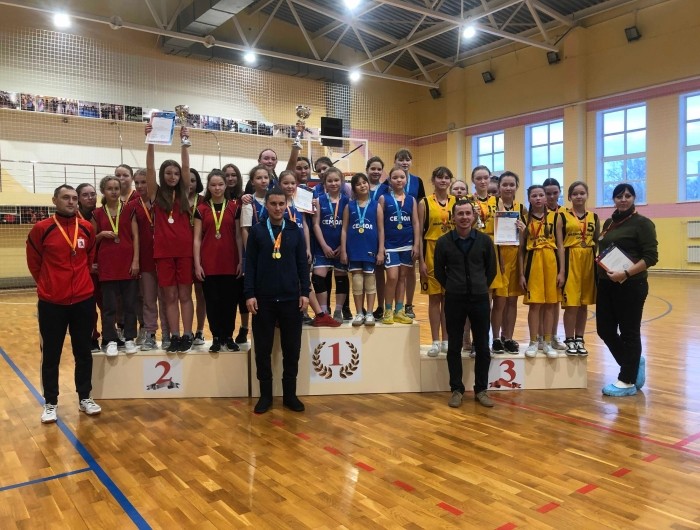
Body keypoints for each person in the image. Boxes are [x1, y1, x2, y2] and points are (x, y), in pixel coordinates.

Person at [26, 184, 102, 423]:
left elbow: (89, 258)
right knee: (51, 355)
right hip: (52, 303)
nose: (71, 202)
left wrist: (80, 283)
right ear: (54, 200)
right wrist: (48, 285)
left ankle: (85, 398)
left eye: (74, 198)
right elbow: (34, 262)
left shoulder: (86, 228)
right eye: (65, 198)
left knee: (84, 352)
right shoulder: (42, 229)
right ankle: (50, 402)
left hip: (83, 301)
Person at [245, 187, 310, 414]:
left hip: (292, 299)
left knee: (292, 349)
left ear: (287, 204)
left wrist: (305, 292)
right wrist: (249, 294)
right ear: (267, 205)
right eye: (273, 204)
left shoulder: (294, 231)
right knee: (262, 350)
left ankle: (290, 395)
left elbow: (302, 264)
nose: (278, 208)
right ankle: (265, 396)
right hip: (263, 300)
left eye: (282, 204)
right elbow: (250, 265)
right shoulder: (257, 231)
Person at [434, 199, 497, 408]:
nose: (464, 217)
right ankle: (456, 390)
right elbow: (439, 271)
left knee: (483, 346)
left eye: (468, 213)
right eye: (460, 214)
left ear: (474, 216)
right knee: (454, 346)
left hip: (479, 298)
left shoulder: (485, 241)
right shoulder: (443, 242)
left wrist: (479, 285)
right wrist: (454, 286)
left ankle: (481, 389)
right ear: (453, 217)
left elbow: (491, 270)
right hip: (454, 299)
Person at [596, 183, 658, 397]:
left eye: (628, 196)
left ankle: (627, 380)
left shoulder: (643, 223)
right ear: (613, 199)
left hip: (631, 285)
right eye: (619, 196)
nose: (623, 199)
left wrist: (626, 273)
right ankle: (632, 362)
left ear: (634, 198)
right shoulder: (609, 222)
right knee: (605, 330)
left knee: (629, 331)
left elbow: (651, 257)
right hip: (606, 284)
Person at [144, 123, 195, 353]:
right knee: (170, 296)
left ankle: (187, 334)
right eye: (168, 173)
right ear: (162, 176)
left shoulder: (184, 193)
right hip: (163, 253)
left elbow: (186, 166)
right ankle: (174, 335)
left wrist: (184, 142)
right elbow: (150, 167)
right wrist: (150, 141)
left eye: (175, 173)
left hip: (185, 252)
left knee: (185, 295)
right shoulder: (155, 193)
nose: (173, 176)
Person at [194, 169, 243, 352]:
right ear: (208, 186)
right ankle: (215, 337)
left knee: (230, 302)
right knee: (212, 302)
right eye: (213, 185)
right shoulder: (201, 209)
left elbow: (238, 236)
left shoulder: (234, 208)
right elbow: (197, 239)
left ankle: (228, 336)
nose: (217, 188)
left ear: (225, 186)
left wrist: (241, 261)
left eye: (220, 184)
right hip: (209, 264)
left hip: (230, 263)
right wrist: (197, 264)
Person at [91, 175, 140, 356]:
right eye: (109, 188)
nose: (113, 191)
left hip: (127, 263)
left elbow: (136, 236)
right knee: (109, 306)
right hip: (108, 265)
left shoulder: (129, 210)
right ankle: (110, 339)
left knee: (130, 305)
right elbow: (91, 241)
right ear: (103, 191)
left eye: (116, 188)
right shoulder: (97, 213)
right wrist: (101, 235)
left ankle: (129, 338)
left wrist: (136, 261)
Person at [557, 181, 599, 356]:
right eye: (575, 194)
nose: (579, 196)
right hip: (570, 258)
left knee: (583, 303)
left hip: (588, 260)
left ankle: (580, 338)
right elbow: (560, 245)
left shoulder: (594, 217)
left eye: (582, 193)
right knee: (572, 304)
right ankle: (569, 339)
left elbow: (596, 241)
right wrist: (562, 270)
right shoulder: (562, 216)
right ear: (569, 197)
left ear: (587, 195)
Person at [518, 185, 559, 358]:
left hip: (551, 263)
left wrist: (562, 271)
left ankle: (547, 342)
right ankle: (534, 341)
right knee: (535, 305)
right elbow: (521, 250)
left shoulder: (556, 217)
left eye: (541, 195)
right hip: (533, 263)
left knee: (550, 304)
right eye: (534, 195)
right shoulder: (523, 219)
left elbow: (561, 246)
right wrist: (521, 274)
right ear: (529, 198)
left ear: (545, 197)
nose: (538, 198)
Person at [418, 166, 455, 356]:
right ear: (433, 180)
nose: (443, 180)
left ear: (450, 181)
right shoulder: (424, 202)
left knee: (448, 300)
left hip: (452, 253)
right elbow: (419, 233)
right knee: (434, 298)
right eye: (439, 177)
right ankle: (434, 341)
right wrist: (421, 260)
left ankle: (446, 341)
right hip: (431, 251)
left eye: (447, 177)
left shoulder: (457, 201)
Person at [340, 172, 384, 326]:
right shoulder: (349, 206)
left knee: (370, 281)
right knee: (357, 281)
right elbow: (344, 229)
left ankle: (370, 313)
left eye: (364, 182)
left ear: (368, 184)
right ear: (354, 188)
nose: (362, 185)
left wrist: (381, 250)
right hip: (354, 249)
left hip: (370, 248)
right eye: (358, 184)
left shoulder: (376, 205)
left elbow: (381, 230)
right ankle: (359, 312)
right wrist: (343, 250)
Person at [378, 166, 420, 324]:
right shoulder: (384, 199)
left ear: (406, 180)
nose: (399, 180)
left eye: (402, 177)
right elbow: (380, 226)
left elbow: (415, 223)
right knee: (392, 277)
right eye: (395, 177)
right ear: (390, 180)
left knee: (402, 278)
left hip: (407, 244)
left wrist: (416, 245)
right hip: (390, 245)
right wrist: (381, 246)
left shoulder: (411, 200)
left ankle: (399, 310)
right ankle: (388, 310)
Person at [490, 171, 526, 354]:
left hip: (515, 257)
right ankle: (496, 338)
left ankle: (508, 337)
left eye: (512, 184)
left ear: (517, 187)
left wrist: (524, 230)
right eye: (505, 184)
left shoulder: (521, 208)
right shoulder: (493, 206)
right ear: (499, 187)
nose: (508, 188)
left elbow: (525, 239)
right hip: (498, 257)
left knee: (512, 301)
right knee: (499, 301)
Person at [312, 167, 349, 323]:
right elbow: (315, 224)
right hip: (323, 247)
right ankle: (324, 311)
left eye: (336, 180)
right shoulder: (319, 200)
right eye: (330, 181)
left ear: (341, 181)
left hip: (341, 247)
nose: (333, 183)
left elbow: (348, 226)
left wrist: (342, 247)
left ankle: (338, 311)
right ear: (324, 183)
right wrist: (324, 246)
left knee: (341, 276)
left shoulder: (347, 201)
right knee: (318, 277)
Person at [393, 148, 426, 319]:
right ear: (395, 161)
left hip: (411, 231)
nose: (404, 162)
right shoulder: (389, 182)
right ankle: (394, 306)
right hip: (393, 232)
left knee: (410, 271)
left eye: (407, 159)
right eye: (401, 159)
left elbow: (421, 207)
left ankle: (408, 305)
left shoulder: (418, 181)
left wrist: (418, 238)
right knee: (395, 273)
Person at [223, 163, 250, 344]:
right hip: (225, 252)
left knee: (243, 294)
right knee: (229, 296)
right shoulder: (217, 198)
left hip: (243, 252)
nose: (230, 178)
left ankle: (244, 328)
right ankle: (226, 333)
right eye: (227, 175)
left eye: (234, 175)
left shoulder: (245, 198)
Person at [133, 168, 160, 351]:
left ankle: (167, 333)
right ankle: (150, 333)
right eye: (137, 183)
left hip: (164, 258)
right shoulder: (132, 206)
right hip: (145, 260)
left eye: (144, 182)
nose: (140, 186)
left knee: (166, 299)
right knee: (148, 300)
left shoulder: (162, 202)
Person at [541, 177, 568, 351]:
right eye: (548, 193)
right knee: (540, 301)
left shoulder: (566, 213)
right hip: (541, 258)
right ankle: (541, 337)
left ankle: (553, 335)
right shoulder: (536, 212)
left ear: (559, 192)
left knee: (555, 300)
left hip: (561, 258)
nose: (551, 196)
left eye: (555, 193)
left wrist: (563, 269)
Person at [76, 183, 102, 352]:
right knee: (89, 308)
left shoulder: (101, 214)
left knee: (108, 305)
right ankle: (92, 337)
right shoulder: (73, 218)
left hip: (103, 268)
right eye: (85, 195)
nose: (90, 198)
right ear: (78, 198)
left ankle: (111, 337)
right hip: (85, 271)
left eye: (92, 194)